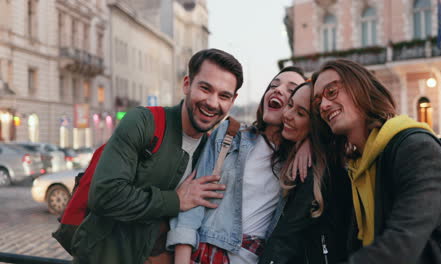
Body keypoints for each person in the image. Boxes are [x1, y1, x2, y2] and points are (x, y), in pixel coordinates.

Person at [71, 48, 243, 264]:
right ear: (187, 84)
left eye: (224, 96)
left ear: (233, 100)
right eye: (205, 88)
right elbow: (105, 195)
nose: (212, 102)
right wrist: (174, 200)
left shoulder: (210, 150)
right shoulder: (143, 122)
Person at [311, 59, 441, 263]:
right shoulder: (359, 167)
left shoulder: (415, 147)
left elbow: (402, 243)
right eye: (317, 102)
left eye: (331, 92)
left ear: (361, 88)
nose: (323, 105)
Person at [165, 66, 307, 264]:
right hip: (206, 254)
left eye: (291, 90)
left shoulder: (300, 161)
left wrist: (308, 142)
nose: (278, 90)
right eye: (274, 85)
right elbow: (193, 202)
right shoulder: (231, 135)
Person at [259, 81, 352, 264]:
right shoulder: (295, 153)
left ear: (315, 126)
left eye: (301, 113)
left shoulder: (317, 172)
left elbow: (285, 239)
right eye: (290, 105)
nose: (287, 115)